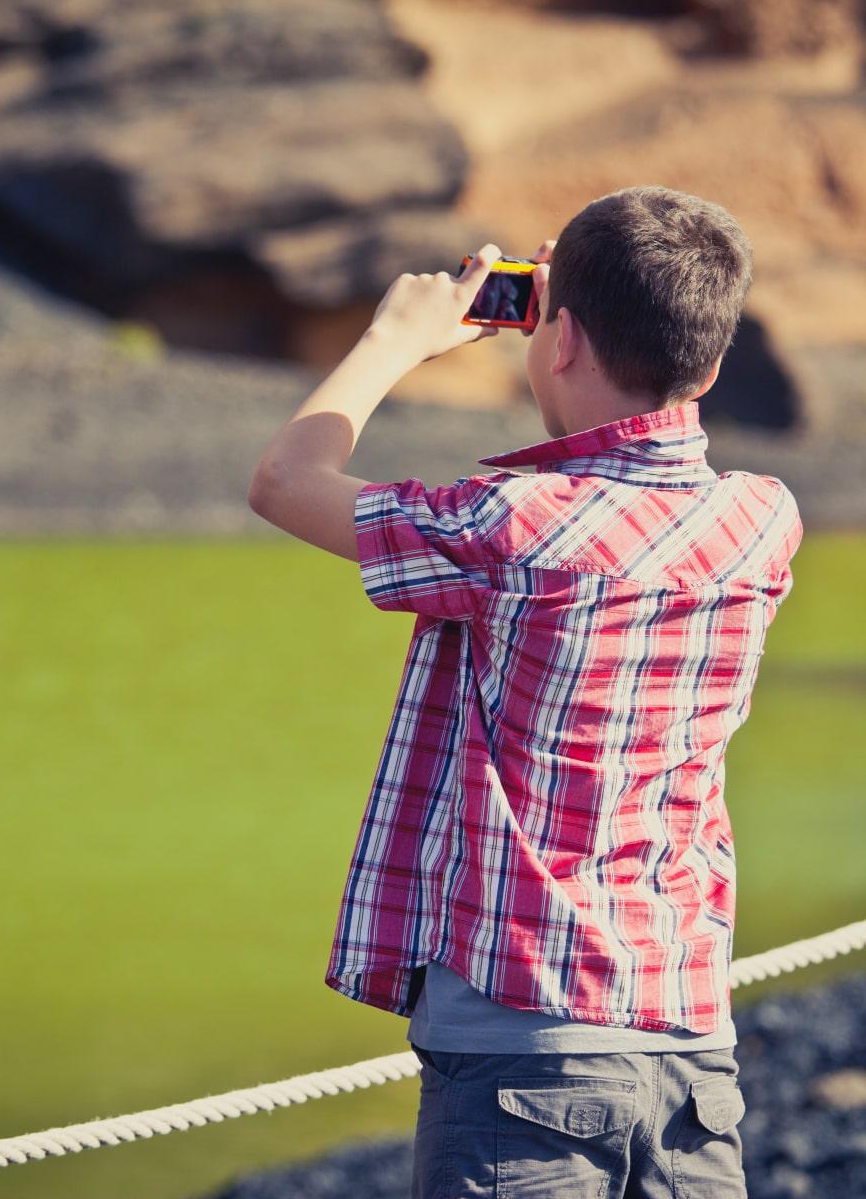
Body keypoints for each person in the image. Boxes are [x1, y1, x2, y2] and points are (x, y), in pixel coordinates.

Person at [247, 184, 802, 1198]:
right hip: (690, 1050)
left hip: (523, 1048)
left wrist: (398, 340)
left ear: (556, 342)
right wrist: (579, 329)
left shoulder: (512, 528)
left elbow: (286, 481)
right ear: (714, 364)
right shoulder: (760, 525)